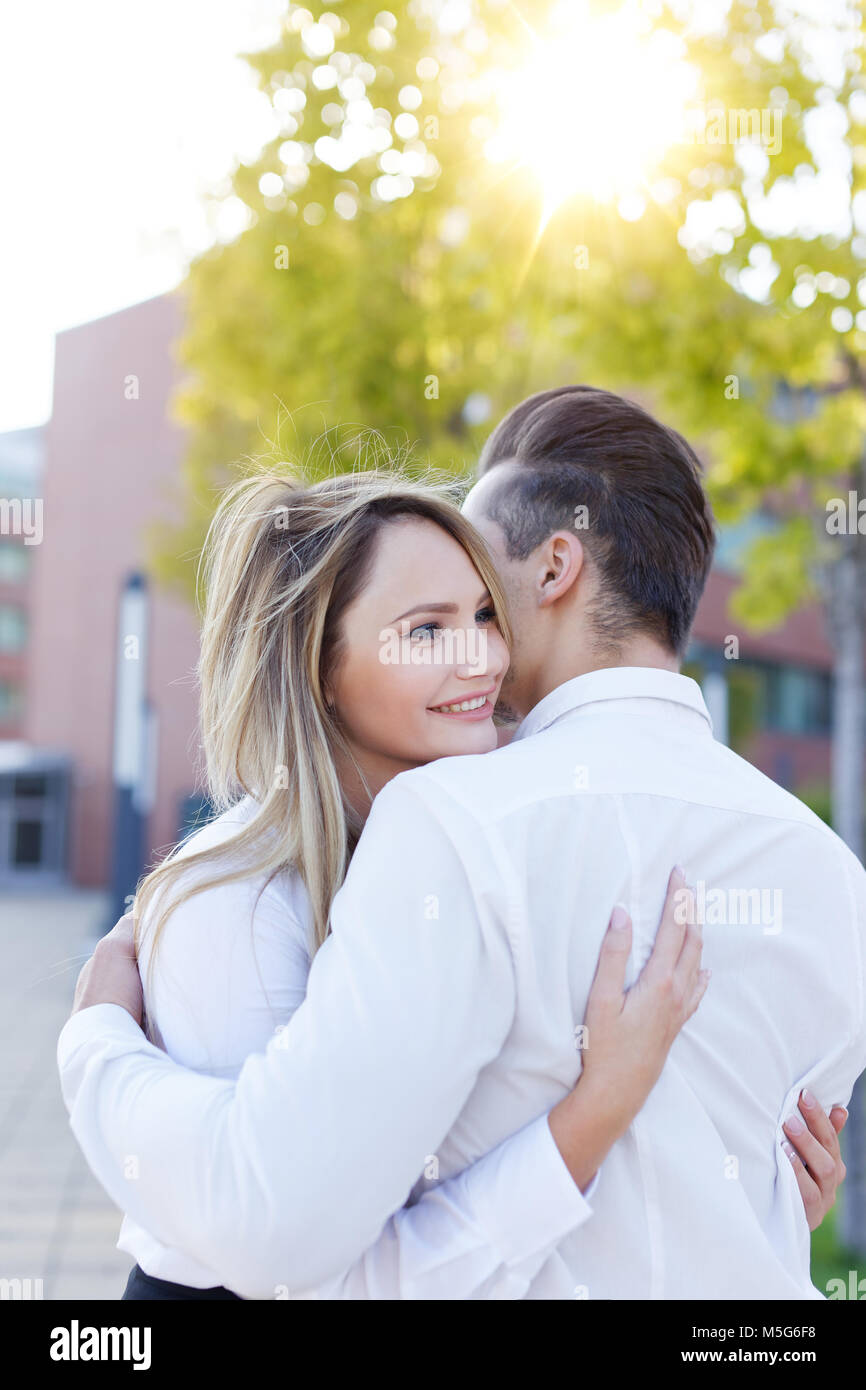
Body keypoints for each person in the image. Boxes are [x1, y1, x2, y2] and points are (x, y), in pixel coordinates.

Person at [59, 386, 859, 1299]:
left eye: (484, 606)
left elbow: (295, 1233)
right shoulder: (833, 875)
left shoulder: (460, 823)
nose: (478, 653)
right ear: (322, 667)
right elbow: (270, 1236)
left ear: (555, 569)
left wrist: (92, 1048)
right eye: (427, 626)